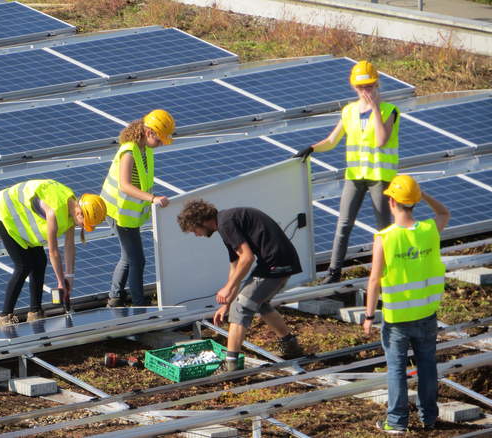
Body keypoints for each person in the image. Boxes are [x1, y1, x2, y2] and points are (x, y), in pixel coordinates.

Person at [295, 60, 400, 284]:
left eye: (370, 86)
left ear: (377, 84)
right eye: (362, 87)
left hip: (379, 177)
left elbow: (381, 140)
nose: (366, 91)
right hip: (355, 176)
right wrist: (312, 148)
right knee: (343, 224)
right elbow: (332, 140)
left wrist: (375, 109)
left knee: (383, 228)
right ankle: (334, 272)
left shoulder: (388, 110)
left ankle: (389, 270)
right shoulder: (349, 111)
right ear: (354, 87)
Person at [362, 174, 450, 433]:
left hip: (397, 319)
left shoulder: (385, 237)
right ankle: (428, 417)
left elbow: (374, 279)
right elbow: (444, 212)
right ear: (413, 202)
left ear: (391, 202)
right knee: (427, 367)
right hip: (427, 314)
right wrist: (423, 196)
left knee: (397, 371)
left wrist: (368, 316)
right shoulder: (428, 230)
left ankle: (397, 422)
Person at [177, 199, 304, 371]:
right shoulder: (225, 222)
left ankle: (231, 365)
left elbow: (247, 258)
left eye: (195, 230)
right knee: (259, 304)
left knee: (242, 306)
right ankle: (290, 344)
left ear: (202, 221)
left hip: (276, 263)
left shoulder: (226, 223)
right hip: (278, 260)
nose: (197, 235)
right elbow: (235, 266)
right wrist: (226, 304)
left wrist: (229, 291)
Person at [0, 179, 106, 328]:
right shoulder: (54, 211)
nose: (83, 227)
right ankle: (4, 317)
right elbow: (54, 251)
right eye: (85, 223)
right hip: (4, 212)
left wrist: (69, 277)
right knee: (24, 265)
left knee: (39, 261)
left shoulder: (72, 206)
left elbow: (69, 246)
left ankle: (35, 312)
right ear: (79, 212)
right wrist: (59, 282)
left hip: (21, 214)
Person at [101, 109, 175, 307]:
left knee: (129, 257)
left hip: (127, 213)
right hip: (118, 212)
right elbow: (124, 185)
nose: (160, 145)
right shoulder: (128, 151)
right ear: (150, 133)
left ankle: (115, 298)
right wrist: (152, 198)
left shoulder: (144, 150)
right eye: (159, 140)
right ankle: (139, 303)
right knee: (137, 260)